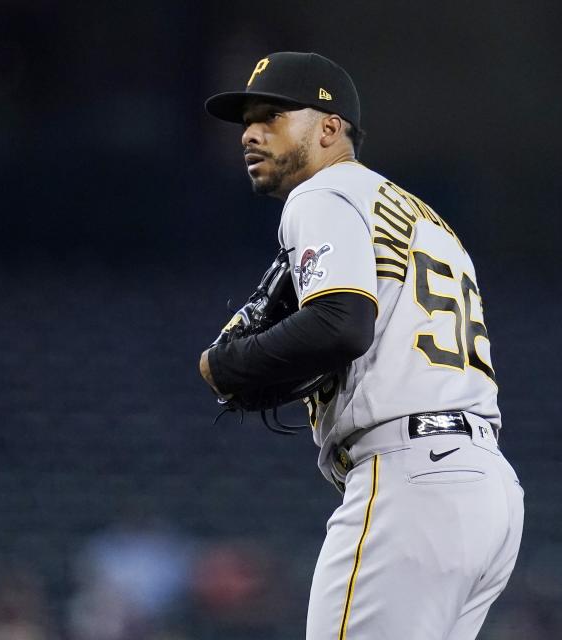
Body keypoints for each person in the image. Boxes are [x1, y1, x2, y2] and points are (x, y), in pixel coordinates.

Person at [199, 51, 524, 640]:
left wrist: (226, 363)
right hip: (485, 488)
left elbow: (342, 325)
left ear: (330, 127)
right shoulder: (424, 218)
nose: (250, 132)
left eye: (272, 114)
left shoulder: (324, 194)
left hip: (410, 479)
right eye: (247, 120)